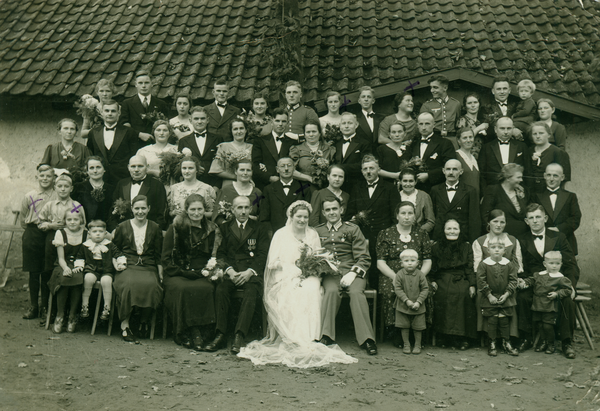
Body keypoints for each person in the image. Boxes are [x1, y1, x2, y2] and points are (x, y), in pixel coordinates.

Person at [238, 201, 357, 368]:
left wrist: (310, 269)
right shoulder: (280, 234)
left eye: (305, 217)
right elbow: (272, 262)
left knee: (312, 287)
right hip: (284, 273)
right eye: (299, 216)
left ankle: (310, 336)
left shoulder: (313, 234)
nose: (302, 220)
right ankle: (292, 337)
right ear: (291, 217)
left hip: (307, 274)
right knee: (291, 290)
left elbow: (318, 257)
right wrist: (289, 268)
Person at [206, 196, 270, 353]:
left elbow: (263, 254)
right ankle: (220, 334)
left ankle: (239, 335)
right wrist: (230, 271)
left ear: (250, 209)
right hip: (232, 272)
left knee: (251, 291)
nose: (243, 211)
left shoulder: (259, 228)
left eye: (246, 208)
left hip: (251, 273)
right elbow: (221, 253)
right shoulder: (225, 227)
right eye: (239, 208)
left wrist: (250, 272)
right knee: (221, 290)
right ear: (232, 210)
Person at [316, 197, 377, 355]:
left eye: (334, 209)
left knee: (356, 293)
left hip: (353, 272)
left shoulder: (352, 229)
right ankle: (326, 335)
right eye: (328, 210)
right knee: (330, 292)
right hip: (330, 273)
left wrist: (353, 273)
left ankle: (367, 339)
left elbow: (364, 257)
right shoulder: (318, 231)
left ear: (341, 210)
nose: (332, 212)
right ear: (323, 212)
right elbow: (315, 256)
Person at [515, 203, 579, 354]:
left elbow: (571, 265)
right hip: (535, 283)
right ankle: (526, 337)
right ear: (526, 221)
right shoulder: (522, 240)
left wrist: (571, 286)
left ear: (545, 218)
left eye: (538, 217)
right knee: (522, 297)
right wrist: (523, 280)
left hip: (556, 282)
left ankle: (566, 342)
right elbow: (520, 266)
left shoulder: (559, 237)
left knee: (567, 300)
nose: (535, 221)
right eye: (531, 218)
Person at [162, 194, 221, 350]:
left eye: (199, 209)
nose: (196, 213)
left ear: (205, 210)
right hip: (177, 272)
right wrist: (184, 272)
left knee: (207, 288)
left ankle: (202, 331)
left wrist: (209, 269)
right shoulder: (176, 227)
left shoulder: (212, 228)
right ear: (186, 210)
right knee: (183, 288)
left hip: (203, 271)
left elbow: (216, 255)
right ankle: (184, 332)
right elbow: (166, 259)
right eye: (192, 209)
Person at [376, 201, 432, 342]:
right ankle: (396, 331)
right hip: (392, 275)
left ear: (415, 216)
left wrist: (419, 277)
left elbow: (427, 260)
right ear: (397, 216)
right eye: (403, 213)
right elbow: (380, 262)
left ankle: (418, 330)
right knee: (390, 290)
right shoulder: (386, 233)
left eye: (410, 213)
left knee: (427, 289)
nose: (406, 217)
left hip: (417, 274)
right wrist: (396, 277)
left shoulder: (421, 234)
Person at [112, 195, 164, 342]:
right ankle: (125, 324)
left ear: (149, 209)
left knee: (153, 285)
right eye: (137, 208)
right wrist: (117, 261)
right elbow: (114, 247)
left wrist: (160, 270)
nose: (140, 212)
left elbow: (158, 253)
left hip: (148, 266)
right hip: (128, 265)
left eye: (143, 208)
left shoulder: (155, 227)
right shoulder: (122, 226)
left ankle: (144, 321)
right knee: (128, 285)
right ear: (132, 209)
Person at [347, 155, 401, 289]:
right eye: (365, 169)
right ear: (362, 171)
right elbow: (349, 214)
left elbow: (395, 216)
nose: (368, 171)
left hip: (382, 237)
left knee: (379, 273)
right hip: (361, 237)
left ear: (378, 170)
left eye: (372, 168)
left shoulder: (389, 188)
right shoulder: (356, 188)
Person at [38, 174, 85, 325]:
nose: (63, 189)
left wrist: (71, 228)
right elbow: (40, 222)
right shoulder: (50, 205)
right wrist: (51, 225)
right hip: (52, 239)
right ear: (55, 188)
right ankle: (48, 310)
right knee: (48, 272)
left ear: (71, 188)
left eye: (66, 186)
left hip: (72, 241)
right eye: (60, 186)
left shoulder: (77, 205)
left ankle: (67, 312)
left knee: (70, 272)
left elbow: (83, 224)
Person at [429, 219, 477, 349]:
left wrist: (472, 284)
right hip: (442, 278)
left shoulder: (466, 246)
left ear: (460, 230)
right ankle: (444, 336)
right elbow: (433, 268)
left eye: (455, 228)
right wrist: (432, 281)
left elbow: (469, 267)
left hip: (461, 277)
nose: (452, 231)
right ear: (443, 230)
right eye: (448, 228)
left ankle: (461, 338)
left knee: (464, 294)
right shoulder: (436, 246)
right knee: (442, 294)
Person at [21, 164, 56, 320]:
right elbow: (23, 218)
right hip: (33, 234)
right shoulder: (30, 195)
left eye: (48, 176)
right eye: (42, 176)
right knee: (33, 272)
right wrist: (33, 229)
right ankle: (33, 306)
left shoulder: (57, 195)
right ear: (37, 177)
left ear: (53, 178)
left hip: (50, 234)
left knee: (46, 271)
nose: (45, 179)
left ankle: (45, 307)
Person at [86, 99, 146, 185]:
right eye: (107, 111)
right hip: (100, 180)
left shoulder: (129, 132)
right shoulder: (93, 132)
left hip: (123, 179)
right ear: (101, 113)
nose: (110, 113)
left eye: (113, 111)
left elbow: (134, 156)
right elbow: (91, 155)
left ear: (119, 113)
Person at [476, 238, 519, 356]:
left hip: (505, 297)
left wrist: (507, 294)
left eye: (499, 248)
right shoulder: (484, 264)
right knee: (492, 318)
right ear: (488, 250)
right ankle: (492, 343)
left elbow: (513, 280)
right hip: (489, 297)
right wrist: (489, 295)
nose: (496, 250)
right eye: (493, 247)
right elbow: (481, 281)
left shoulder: (509, 264)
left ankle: (506, 343)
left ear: (504, 250)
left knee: (504, 318)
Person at [47, 208, 87, 334]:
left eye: (76, 219)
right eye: (69, 219)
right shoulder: (60, 233)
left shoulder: (86, 233)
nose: (72, 222)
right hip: (62, 264)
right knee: (65, 278)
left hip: (80, 265)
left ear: (81, 220)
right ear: (65, 221)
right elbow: (60, 258)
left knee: (78, 278)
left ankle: (72, 316)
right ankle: (60, 315)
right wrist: (66, 268)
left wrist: (77, 267)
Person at [77, 220, 123, 322]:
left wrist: (120, 263)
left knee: (106, 281)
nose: (98, 234)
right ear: (89, 233)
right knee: (88, 278)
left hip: (106, 270)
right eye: (94, 231)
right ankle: (85, 305)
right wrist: (79, 266)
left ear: (105, 233)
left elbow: (118, 255)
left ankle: (106, 308)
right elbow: (80, 257)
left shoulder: (109, 245)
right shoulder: (86, 245)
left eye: (101, 231)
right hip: (91, 269)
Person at [530, 251, 575, 357]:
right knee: (540, 324)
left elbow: (568, 290)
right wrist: (525, 282)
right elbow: (532, 281)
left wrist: (557, 293)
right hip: (538, 305)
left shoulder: (560, 278)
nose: (554, 266)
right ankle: (544, 342)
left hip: (549, 306)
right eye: (551, 263)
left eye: (557, 263)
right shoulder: (539, 275)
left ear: (561, 264)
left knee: (547, 325)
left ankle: (551, 344)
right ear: (545, 264)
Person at [109, 155, 168, 231]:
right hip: (124, 232)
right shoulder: (122, 184)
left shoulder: (156, 185)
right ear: (128, 167)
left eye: (140, 166)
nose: (136, 170)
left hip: (148, 231)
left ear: (147, 167)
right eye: (133, 166)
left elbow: (161, 213)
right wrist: (116, 230)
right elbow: (113, 210)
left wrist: (154, 232)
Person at [534, 163, 581, 255]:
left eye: (555, 176)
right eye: (549, 175)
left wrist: (559, 229)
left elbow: (575, 218)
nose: (551, 179)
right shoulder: (536, 196)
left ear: (562, 177)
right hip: (543, 241)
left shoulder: (570, 196)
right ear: (544, 176)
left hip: (566, 240)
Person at [430, 159, 480, 242]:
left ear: (461, 172)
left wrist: (472, 241)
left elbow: (474, 219)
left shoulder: (470, 191)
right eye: (448, 169)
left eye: (455, 169)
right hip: (439, 237)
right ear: (443, 171)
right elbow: (432, 215)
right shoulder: (435, 190)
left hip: (462, 237)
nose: (451, 172)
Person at [260, 157, 314, 234]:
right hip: (275, 233)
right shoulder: (268, 189)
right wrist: (270, 234)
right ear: (277, 169)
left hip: (298, 233)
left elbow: (307, 214)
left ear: (294, 168)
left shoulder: (304, 189)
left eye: (289, 165)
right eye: (282, 166)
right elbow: (264, 216)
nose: (286, 169)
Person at [407, 111, 456, 193]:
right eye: (421, 124)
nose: (423, 127)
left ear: (434, 125)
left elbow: (450, 166)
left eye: (427, 124)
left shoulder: (444, 143)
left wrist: (429, 175)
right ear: (417, 125)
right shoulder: (413, 144)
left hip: (436, 189)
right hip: (415, 189)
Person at [252, 108, 298, 189]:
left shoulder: (292, 142)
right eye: (277, 121)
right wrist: (269, 178)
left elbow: (294, 165)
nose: (280, 124)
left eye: (283, 121)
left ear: (287, 123)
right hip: (265, 185)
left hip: (287, 185)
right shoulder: (260, 141)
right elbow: (255, 165)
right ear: (272, 121)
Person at [177, 106, 223, 187]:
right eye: (196, 119)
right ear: (190, 120)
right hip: (191, 184)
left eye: (202, 118)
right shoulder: (183, 141)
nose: (199, 121)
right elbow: (180, 166)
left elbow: (222, 165)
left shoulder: (218, 139)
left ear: (207, 120)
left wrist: (217, 186)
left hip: (213, 183)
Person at [394, 249, 429, 355]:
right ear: (401, 263)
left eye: (412, 260)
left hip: (418, 305)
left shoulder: (420, 275)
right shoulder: (399, 274)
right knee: (404, 325)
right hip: (403, 305)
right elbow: (398, 289)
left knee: (418, 327)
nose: (409, 263)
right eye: (406, 261)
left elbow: (425, 289)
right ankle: (406, 344)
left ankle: (417, 345)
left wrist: (418, 301)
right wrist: (406, 300)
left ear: (418, 263)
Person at [481, 163, 530, 238]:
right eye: (518, 177)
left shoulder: (522, 191)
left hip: (523, 237)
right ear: (508, 178)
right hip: (501, 238)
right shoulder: (493, 190)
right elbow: (485, 216)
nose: (521, 180)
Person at [477, 117, 528, 188]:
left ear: (513, 129)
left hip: (516, 189)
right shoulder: (486, 147)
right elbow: (482, 174)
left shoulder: (521, 146)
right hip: (493, 191)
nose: (506, 132)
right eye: (502, 128)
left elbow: (528, 172)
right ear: (495, 129)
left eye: (509, 128)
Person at [120, 70, 170, 138]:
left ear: (152, 84)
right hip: (134, 142)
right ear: (136, 85)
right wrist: (139, 134)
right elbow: (124, 125)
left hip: (155, 141)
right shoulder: (127, 103)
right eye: (140, 83)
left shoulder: (161, 104)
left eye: (146, 83)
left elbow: (165, 124)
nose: (143, 86)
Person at [525, 122, 571, 193]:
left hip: (550, 193)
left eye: (541, 133)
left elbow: (564, 178)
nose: (537, 136)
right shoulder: (528, 151)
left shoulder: (558, 152)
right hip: (531, 193)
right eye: (534, 134)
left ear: (549, 134)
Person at [212, 160, 263, 224]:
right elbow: (217, 216)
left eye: (248, 170)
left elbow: (262, 216)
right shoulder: (225, 190)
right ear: (236, 171)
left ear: (252, 172)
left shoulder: (257, 193)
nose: (245, 173)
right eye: (242, 170)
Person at [332, 112, 372, 192]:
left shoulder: (364, 143)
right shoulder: (336, 144)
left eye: (350, 123)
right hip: (338, 186)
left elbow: (364, 165)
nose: (346, 126)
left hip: (357, 185)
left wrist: (340, 168)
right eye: (343, 123)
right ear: (340, 126)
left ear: (356, 125)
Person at [168, 155, 217, 220]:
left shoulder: (206, 188)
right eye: (184, 168)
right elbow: (170, 212)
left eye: (190, 168)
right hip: (180, 225)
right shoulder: (173, 188)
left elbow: (212, 213)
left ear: (197, 170)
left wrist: (196, 213)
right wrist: (174, 213)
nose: (187, 171)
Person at [289, 121, 336, 186]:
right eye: (308, 132)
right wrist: (309, 178)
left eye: (314, 131)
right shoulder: (296, 149)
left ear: (319, 133)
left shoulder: (329, 149)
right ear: (304, 135)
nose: (311, 134)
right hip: (303, 186)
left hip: (326, 186)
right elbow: (290, 170)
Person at [208, 118, 253, 186]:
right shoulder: (224, 147)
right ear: (231, 131)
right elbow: (215, 170)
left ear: (246, 130)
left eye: (241, 128)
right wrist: (236, 177)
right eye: (235, 129)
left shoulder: (252, 147)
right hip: (229, 184)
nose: (239, 131)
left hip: (249, 183)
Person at [72, 156, 115, 224]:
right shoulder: (78, 187)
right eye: (91, 168)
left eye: (98, 167)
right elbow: (74, 210)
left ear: (104, 169)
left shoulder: (112, 189)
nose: (95, 171)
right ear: (87, 171)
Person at [420, 75, 461, 141]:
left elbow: (458, 124)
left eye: (435, 87)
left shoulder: (456, 104)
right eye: (431, 87)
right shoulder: (427, 105)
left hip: (452, 140)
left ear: (445, 88)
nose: (432, 90)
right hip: (434, 140)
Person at [482, 76, 519, 142]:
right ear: (493, 91)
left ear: (509, 90)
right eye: (498, 89)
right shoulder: (486, 108)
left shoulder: (517, 106)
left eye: (504, 88)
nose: (502, 92)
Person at [398, 168, 435, 234]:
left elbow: (430, 221)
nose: (408, 184)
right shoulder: (396, 196)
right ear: (400, 182)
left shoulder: (424, 196)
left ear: (416, 182)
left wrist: (417, 233)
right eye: (405, 181)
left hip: (419, 234)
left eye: (411, 181)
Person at [456, 92, 489, 158]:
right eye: (469, 103)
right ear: (465, 106)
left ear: (479, 104)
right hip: (468, 155)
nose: (473, 105)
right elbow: (462, 139)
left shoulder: (480, 121)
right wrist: (479, 128)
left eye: (475, 102)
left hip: (482, 155)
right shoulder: (462, 120)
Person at [455, 127, 480, 198]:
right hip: (462, 198)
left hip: (475, 198)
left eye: (470, 137)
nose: (468, 140)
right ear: (459, 141)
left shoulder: (474, 158)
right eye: (465, 138)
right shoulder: (456, 156)